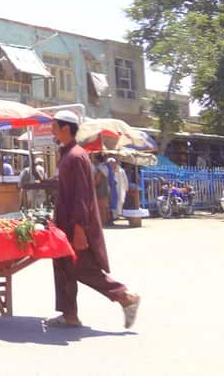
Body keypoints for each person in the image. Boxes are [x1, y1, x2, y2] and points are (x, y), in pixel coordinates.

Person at [45, 110, 140, 329]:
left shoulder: (76, 156)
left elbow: (82, 196)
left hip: (76, 226)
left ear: (66, 128)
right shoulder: (68, 154)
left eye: (54, 126)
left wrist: (79, 230)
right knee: (63, 266)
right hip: (65, 225)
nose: (52, 130)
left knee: (82, 269)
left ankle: (125, 297)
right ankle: (69, 315)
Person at [93, 153, 111, 226]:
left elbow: (97, 181)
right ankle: (107, 220)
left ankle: (103, 221)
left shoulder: (99, 169)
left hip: (100, 190)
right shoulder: (105, 167)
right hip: (106, 188)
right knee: (105, 206)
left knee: (101, 207)